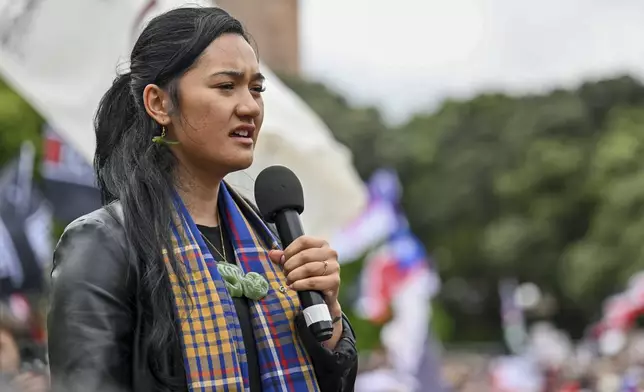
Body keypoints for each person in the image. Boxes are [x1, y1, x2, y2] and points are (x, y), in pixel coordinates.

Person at [46, 7, 358, 392]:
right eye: (226, 86)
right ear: (159, 104)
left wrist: (329, 319)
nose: (250, 107)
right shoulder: (105, 244)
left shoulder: (273, 244)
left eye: (256, 88)